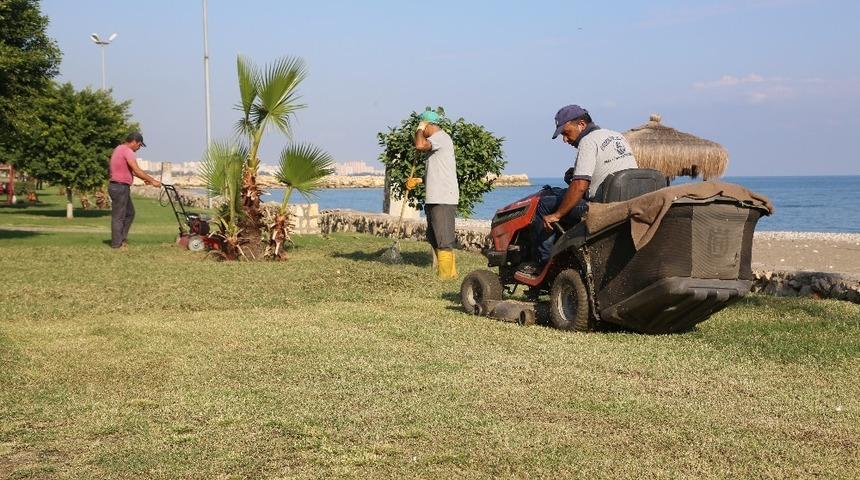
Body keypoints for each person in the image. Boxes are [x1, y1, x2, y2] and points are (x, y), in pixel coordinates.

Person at [521, 105, 638, 275]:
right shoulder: (616, 136)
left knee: (544, 205)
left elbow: (580, 185)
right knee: (556, 193)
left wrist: (557, 215)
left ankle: (543, 265)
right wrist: (574, 174)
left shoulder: (588, 142)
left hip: (601, 207)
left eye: (566, 133)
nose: (565, 140)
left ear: (581, 124)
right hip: (626, 200)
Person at [410, 110, 459, 279]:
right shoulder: (436, 141)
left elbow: (419, 145)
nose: (421, 131)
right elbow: (437, 172)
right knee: (433, 236)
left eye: (423, 126)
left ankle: (445, 277)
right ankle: (449, 273)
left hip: (443, 197)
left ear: (428, 125)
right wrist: (418, 180)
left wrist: (419, 128)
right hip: (435, 196)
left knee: (443, 238)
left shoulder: (441, 137)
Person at [108, 132, 161, 249]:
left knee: (130, 213)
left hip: (118, 186)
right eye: (139, 145)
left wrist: (143, 179)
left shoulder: (119, 149)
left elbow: (127, 170)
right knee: (119, 216)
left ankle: (121, 239)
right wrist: (153, 181)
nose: (139, 148)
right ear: (134, 142)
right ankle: (117, 244)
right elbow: (136, 170)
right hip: (120, 187)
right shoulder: (128, 151)